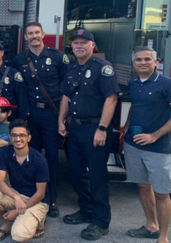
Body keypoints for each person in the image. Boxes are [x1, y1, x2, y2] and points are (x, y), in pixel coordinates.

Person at [58, 29, 119, 240]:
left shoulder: (103, 68)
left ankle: (101, 221)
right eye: (75, 43)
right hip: (75, 128)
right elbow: (66, 96)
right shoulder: (74, 67)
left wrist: (102, 129)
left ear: (93, 45)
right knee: (75, 172)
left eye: (84, 42)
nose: (79, 46)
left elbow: (111, 99)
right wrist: (61, 121)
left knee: (97, 176)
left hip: (95, 129)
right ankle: (86, 210)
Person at [123, 47, 171, 243]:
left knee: (161, 192)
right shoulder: (133, 83)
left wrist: (154, 135)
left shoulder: (168, 84)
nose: (143, 63)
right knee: (143, 186)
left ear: (155, 61)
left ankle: (163, 237)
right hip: (133, 145)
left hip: (157, 148)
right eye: (139, 60)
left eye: (147, 59)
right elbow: (135, 107)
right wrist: (125, 129)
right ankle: (151, 226)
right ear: (134, 63)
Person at [11, 22, 69, 217]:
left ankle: (51, 200)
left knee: (52, 158)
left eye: (37, 32)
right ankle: (31, 197)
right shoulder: (20, 59)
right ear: (25, 37)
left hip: (51, 116)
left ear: (43, 34)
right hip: (30, 116)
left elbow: (66, 87)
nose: (34, 36)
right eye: (30, 33)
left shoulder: (58, 57)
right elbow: (7, 76)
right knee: (31, 158)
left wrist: (64, 117)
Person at [0, 119, 49, 242]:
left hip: (37, 200)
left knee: (19, 236)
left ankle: (40, 219)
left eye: (22, 135)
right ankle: (6, 224)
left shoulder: (39, 160)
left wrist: (17, 211)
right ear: (10, 137)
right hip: (18, 195)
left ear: (29, 138)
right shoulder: (5, 153)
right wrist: (16, 197)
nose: (18, 139)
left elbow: (40, 193)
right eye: (14, 135)